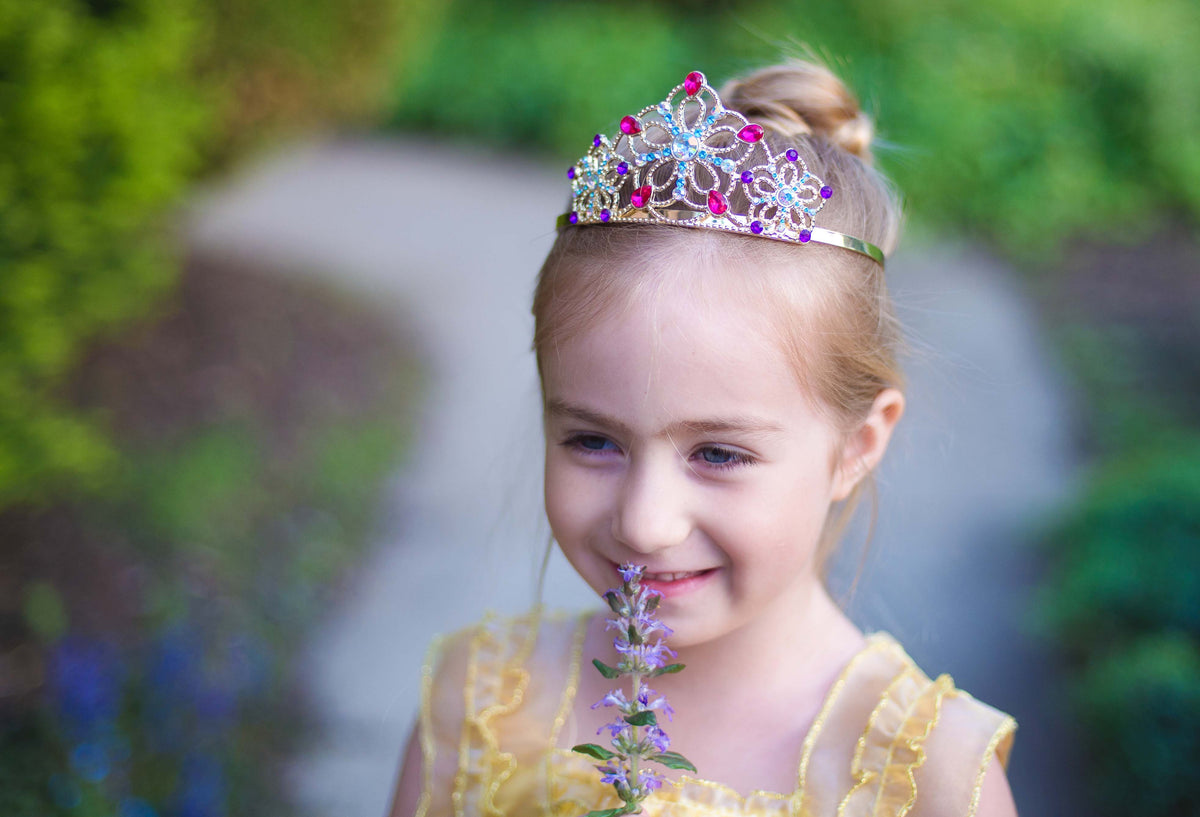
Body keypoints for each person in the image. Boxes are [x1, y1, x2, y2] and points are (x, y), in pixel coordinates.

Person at [387, 59, 1018, 817]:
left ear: (856, 444)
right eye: (593, 440)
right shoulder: (477, 704)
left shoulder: (932, 779)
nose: (645, 522)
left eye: (718, 453)